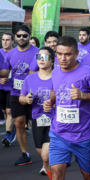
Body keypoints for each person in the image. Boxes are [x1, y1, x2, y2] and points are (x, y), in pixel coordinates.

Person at [43, 36, 90, 180]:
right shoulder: (55, 71)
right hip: (59, 133)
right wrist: (51, 101)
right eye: (59, 54)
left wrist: (83, 95)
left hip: (83, 135)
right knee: (56, 175)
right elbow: (55, 89)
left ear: (77, 53)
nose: (63, 58)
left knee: (89, 176)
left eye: (67, 54)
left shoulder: (88, 72)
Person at [5, 25, 39, 164]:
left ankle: (47, 153)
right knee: (19, 123)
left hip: (34, 93)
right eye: (19, 35)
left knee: (37, 124)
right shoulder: (10, 54)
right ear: (15, 37)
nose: (21, 38)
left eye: (24, 35)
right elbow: (5, 72)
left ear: (30, 37)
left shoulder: (37, 52)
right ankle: (25, 154)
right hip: (15, 92)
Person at [19, 47, 55, 177]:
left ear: (52, 60)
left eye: (45, 57)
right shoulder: (30, 79)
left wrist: (53, 103)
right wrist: (26, 99)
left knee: (46, 156)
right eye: (39, 57)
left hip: (55, 121)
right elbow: (21, 98)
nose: (41, 59)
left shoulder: (58, 77)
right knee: (42, 154)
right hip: (37, 119)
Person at [0, 32, 16, 144]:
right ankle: (11, 128)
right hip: (1, 86)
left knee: (9, 111)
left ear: (12, 41)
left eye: (7, 39)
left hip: (12, 86)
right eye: (3, 39)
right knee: (4, 111)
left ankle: (8, 135)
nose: (5, 42)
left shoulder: (16, 53)